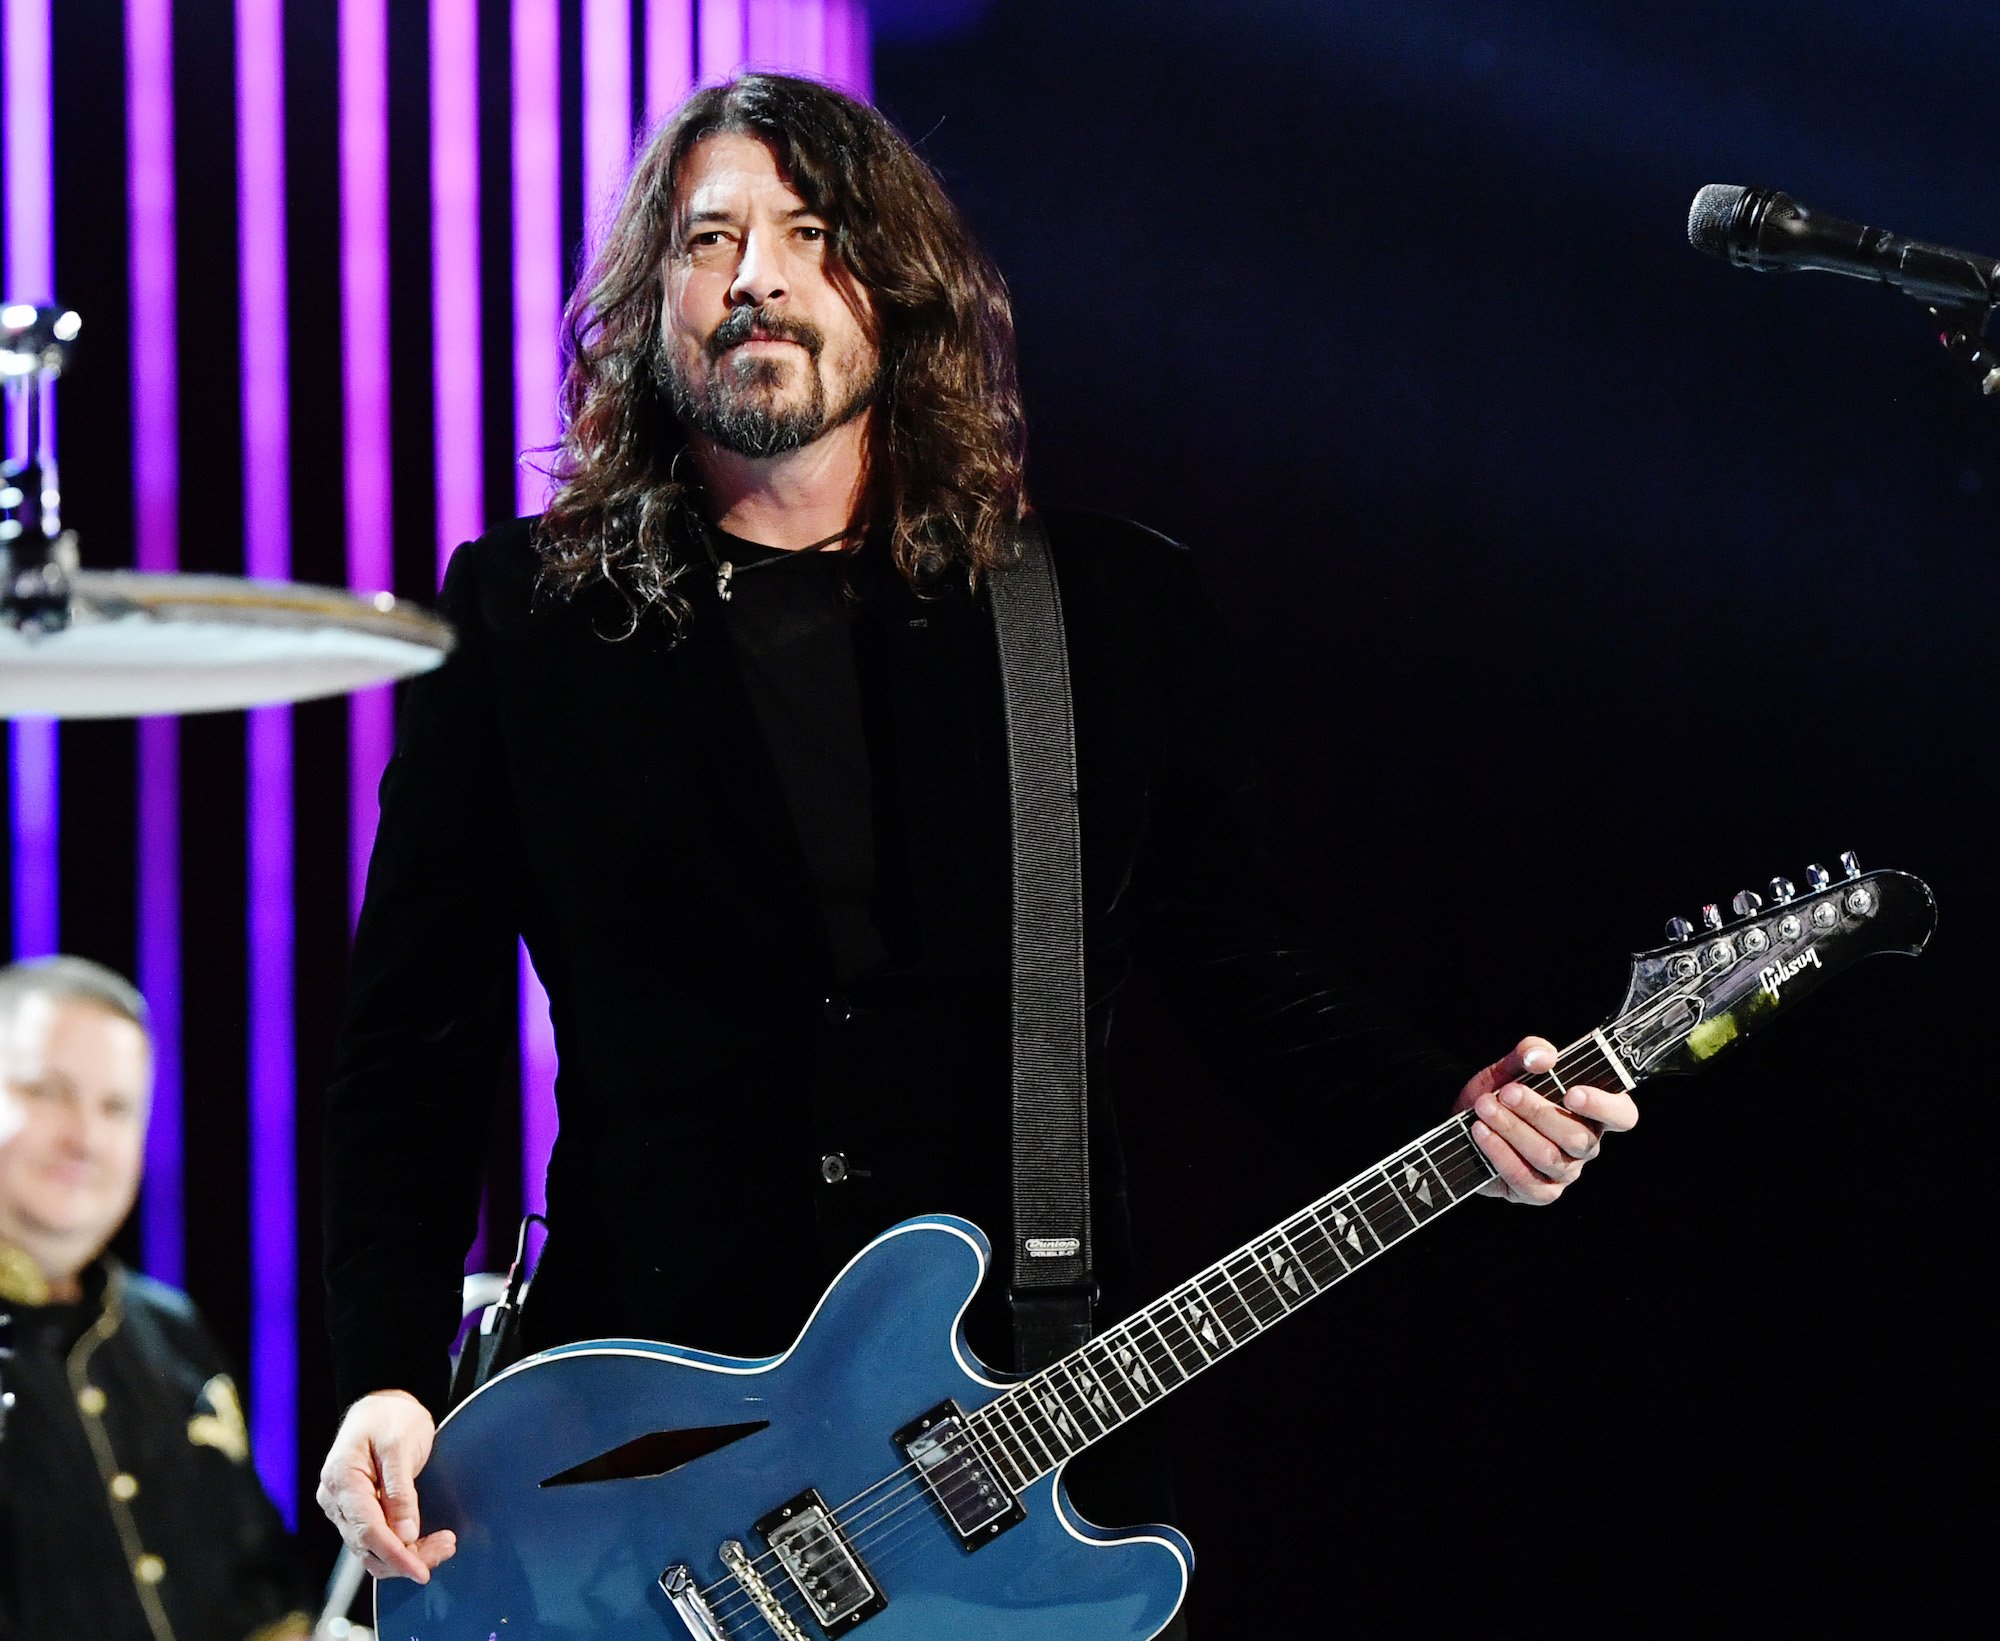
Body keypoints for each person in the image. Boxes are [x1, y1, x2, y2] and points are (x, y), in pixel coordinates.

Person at [315, 73, 1637, 1628]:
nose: (758, 276)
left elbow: (1237, 958)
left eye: (814, 233)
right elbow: (413, 1039)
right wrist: (389, 1376)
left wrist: (1446, 1106)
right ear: (648, 301)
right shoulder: (529, 621)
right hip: (647, 1482)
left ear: (905, 292)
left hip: (1016, 1444)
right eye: (707, 239)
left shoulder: (1101, 609)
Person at [0, 956, 312, 1641]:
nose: (84, 1136)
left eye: (116, 1107)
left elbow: (261, 1593)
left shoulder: (172, 1332)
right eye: (46, 1090)